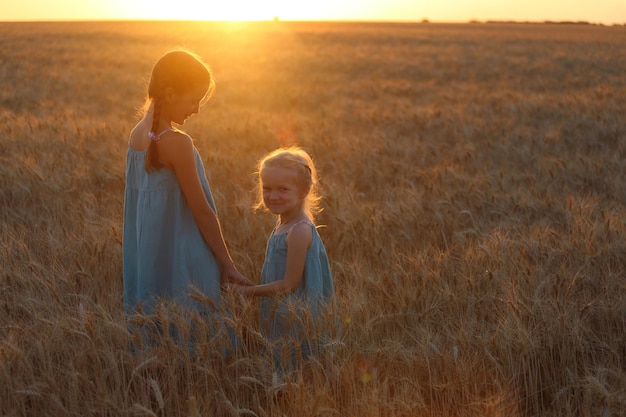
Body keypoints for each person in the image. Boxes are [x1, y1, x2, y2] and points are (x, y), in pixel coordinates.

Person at [123, 49, 250, 325]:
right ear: (169, 94)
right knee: (195, 328)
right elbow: (202, 212)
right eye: (194, 100)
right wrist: (227, 264)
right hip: (185, 256)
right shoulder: (177, 143)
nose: (197, 109)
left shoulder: (137, 135)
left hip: (151, 256)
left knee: (158, 326)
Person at [228, 147, 334, 374]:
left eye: (283, 190)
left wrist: (246, 292)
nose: (273, 196)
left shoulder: (299, 231)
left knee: (292, 360)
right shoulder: (283, 223)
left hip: (293, 310)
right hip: (278, 306)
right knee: (280, 356)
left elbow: (289, 285)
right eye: (267, 188)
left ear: (304, 190)